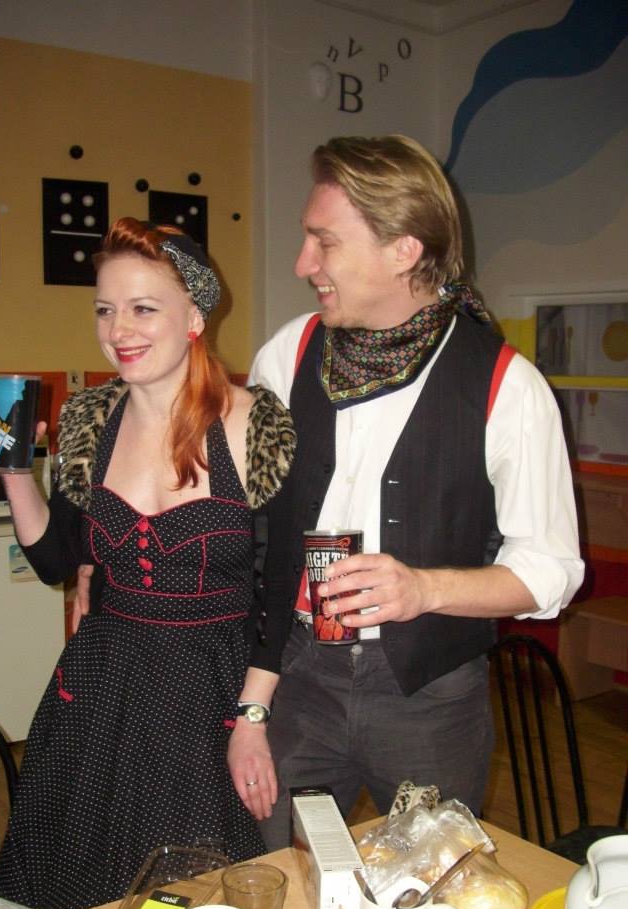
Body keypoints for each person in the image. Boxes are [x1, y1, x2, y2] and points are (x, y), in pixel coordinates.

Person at [225, 134, 584, 851]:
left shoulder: (507, 386)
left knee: (428, 882)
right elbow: (240, 515)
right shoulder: (287, 355)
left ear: (404, 249)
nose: (303, 263)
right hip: (298, 678)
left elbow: (551, 571)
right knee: (274, 871)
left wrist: (423, 588)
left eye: (324, 241)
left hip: (430, 697)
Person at [0, 217, 295, 909]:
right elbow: (58, 559)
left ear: (194, 318)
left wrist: (252, 718)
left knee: (196, 896)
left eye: (143, 308)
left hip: (209, 694)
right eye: (105, 309)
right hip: (101, 687)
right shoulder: (90, 420)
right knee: (80, 890)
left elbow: (281, 590)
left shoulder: (256, 426)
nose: (119, 330)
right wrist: (14, 473)